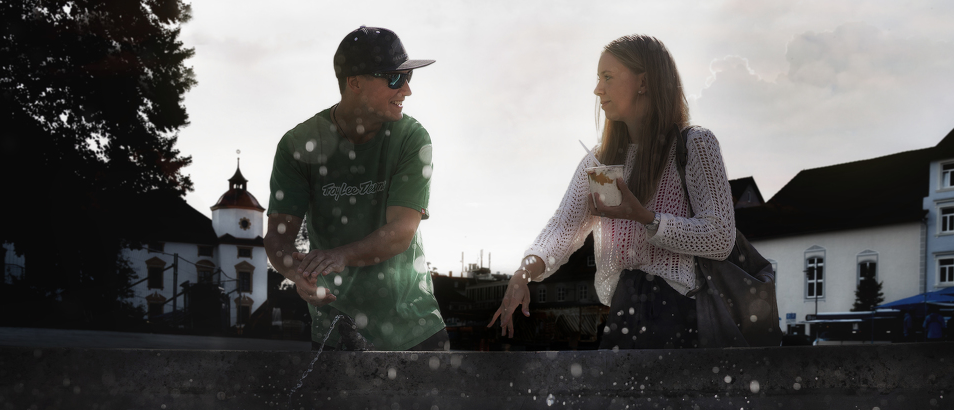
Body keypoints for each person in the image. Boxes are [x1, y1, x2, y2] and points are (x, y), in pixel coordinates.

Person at [489, 34, 736, 349]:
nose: (597, 89)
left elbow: (720, 237)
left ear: (643, 82)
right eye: (597, 78)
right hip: (622, 313)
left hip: (680, 316)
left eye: (608, 77)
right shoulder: (599, 160)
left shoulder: (695, 144)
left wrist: (645, 217)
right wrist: (523, 273)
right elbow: (563, 228)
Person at [264, 26, 448, 351]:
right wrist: (298, 274)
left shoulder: (412, 139)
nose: (406, 90)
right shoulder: (297, 146)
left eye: (408, 77)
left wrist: (340, 256)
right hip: (334, 332)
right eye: (394, 78)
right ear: (355, 82)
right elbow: (279, 236)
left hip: (413, 330)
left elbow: (402, 232)